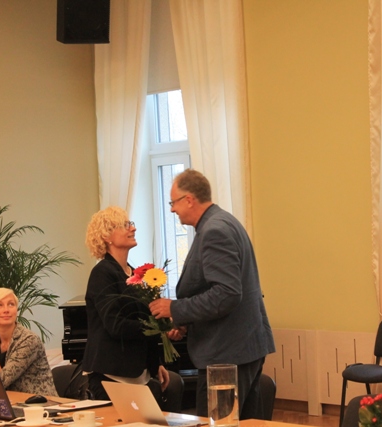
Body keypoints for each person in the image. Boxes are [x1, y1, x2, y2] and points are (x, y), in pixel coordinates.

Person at [149, 168, 276, 419]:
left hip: (226, 355)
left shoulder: (214, 230)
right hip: (241, 348)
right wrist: (185, 321)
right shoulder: (224, 221)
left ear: (189, 199)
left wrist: (174, 308)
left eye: (173, 203)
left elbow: (227, 294)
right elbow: (217, 290)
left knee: (219, 424)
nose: (172, 210)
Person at [82, 206, 175, 410]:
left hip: (138, 374)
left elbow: (145, 317)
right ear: (107, 236)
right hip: (111, 375)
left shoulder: (135, 274)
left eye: (130, 224)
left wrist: (156, 363)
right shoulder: (102, 273)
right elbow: (115, 325)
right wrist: (157, 327)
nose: (133, 228)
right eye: (125, 225)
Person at [0, 287, 57, 396]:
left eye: (11, 304)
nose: (6, 310)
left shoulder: (29, 340)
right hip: (12, 402)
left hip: (41, 403)